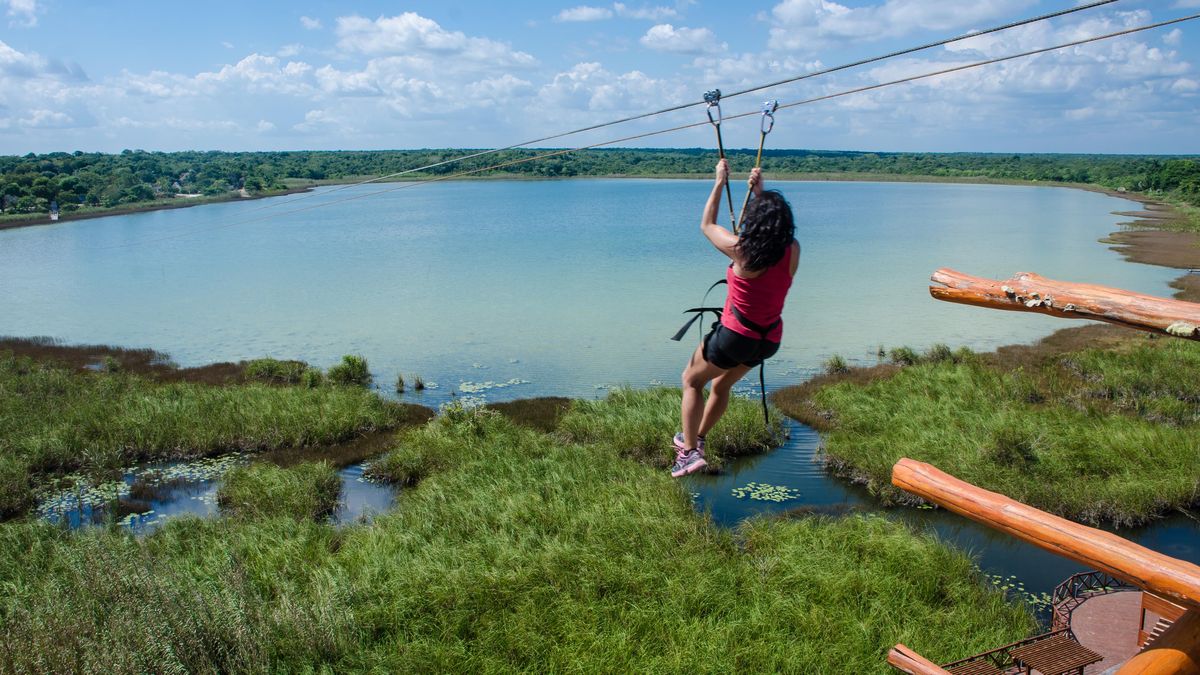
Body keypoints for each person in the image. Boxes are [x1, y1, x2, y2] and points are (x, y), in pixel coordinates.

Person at [671, 159, 799, 478]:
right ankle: (697, 439)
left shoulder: (741, 250)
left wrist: (718, 182)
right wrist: (760, 193)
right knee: (721, 385)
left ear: (754, 223)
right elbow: (770, 229)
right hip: (768, 340)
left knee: (691, 380)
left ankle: (688, 453)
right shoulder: (792, 250)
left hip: (735, 337)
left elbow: (706, 224)